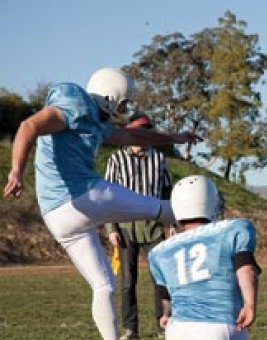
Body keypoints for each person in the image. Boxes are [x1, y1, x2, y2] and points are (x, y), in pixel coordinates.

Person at [3, 67, 202, 340]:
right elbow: (29, 126)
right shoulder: (75, 102)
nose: (127, 106)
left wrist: (172, 138)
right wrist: (16, 170)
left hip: (57, 217)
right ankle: (213, 243)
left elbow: (134, 136)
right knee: (164, 210)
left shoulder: (96, 121)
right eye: (124, 101)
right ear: (110, 96)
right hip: (81, 195)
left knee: (103, 285)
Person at [148, 175, 260, 340]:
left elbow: (163, 292)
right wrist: (250, 305)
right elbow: (246, 269)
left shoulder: (160, 251)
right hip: (220, 324)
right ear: (210, 201)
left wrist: (165, 314)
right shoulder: (232, 229)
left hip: (178, 328)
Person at [104, 113, 175, 340]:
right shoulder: (115, 160)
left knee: (160, 279)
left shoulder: (159, 159)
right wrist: (111, 229)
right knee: (127, 282)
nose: (143, 135)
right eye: (139, 130)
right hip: (125, 228)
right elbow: (107, 196)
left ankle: (163, 325)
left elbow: (167, 192)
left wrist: (171, 221)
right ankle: (131, 329)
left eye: (147, 130)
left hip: (154, 225)